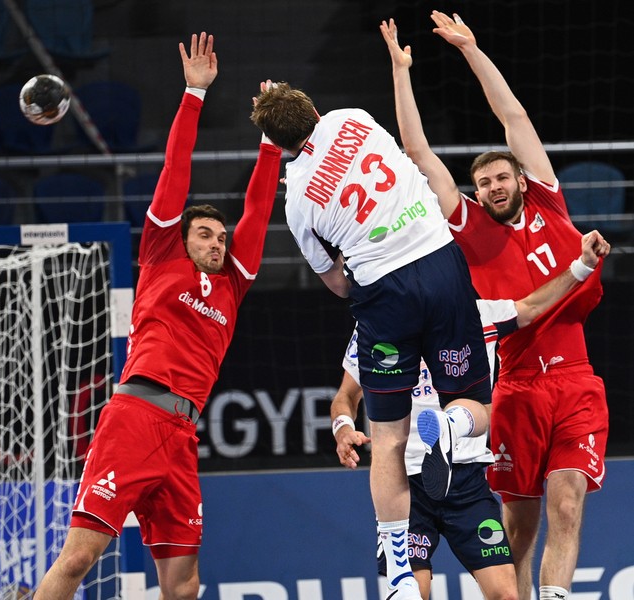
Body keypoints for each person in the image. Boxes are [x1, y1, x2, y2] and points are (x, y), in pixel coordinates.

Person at [33, 32, 282, 600]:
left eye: (222, 237)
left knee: (185, 586)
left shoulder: (233, 285)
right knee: (79, 559)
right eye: (206, 233)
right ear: (182, 236)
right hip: (134, 418)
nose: (218, 242)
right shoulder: (161, 253)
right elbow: (176, 168)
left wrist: (271, 143)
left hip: (181, 436)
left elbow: (260, 207)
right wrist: (195, 94)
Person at [250, 62, 492, 600]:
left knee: (388, 438)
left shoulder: (296, 203)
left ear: (280, 144)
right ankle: (452, 426)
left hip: (383, 293)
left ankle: (400, 572)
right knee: (476, 404)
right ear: (313, 110)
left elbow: (337, 285)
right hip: (439, 262)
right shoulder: (351, 117)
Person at [391, 11, 610, 600]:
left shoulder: (549, 202)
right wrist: (401, 70)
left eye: (499, 176)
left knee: (568, 498)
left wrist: (470, 49)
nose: (492, 185)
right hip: (512, 388)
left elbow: (511, 113)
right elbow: (416, 150)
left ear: (519, 177)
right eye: (482, 181)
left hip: (575, 378)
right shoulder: (466, 226)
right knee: (519, 527)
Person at [332, 229, 610, 600]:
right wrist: (343, 428)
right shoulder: (380, 323)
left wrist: (581, 266)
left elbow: (532, 306)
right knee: (417, 593)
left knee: (507, 595)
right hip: (408, 481)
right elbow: (344, 397)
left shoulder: (483, 315)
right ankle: (449, 427)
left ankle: (451, 428)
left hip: (466, 480)